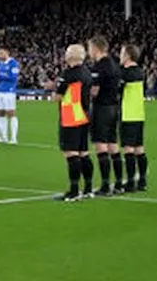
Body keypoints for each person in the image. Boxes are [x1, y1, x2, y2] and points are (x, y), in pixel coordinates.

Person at [49, 44, 93, 202]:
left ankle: (74, 191)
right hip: (84, 114)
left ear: (70, 56)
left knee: (71, 153)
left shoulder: (68, 74)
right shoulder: (87, 72)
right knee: (84, 153)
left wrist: (53, 89)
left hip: (70, 115)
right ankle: (88, 188)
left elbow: (58, 97)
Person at [86, 37, 123, 196]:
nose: (89, 52)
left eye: (89, 48)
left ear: (96, 48)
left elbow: (94, 90)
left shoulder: (99, 66)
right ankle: (119, 184)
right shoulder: (114, 63)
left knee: (100, 144)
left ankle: (105, 186)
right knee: (113, 144)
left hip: (102, 108)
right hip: (114, 107)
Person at [119, 44, 148, 192]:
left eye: (122, 53)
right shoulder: (141, 72)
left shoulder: (124, 73)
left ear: (128, 55)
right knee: (139, 148)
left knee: (128, 149)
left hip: (127, 113)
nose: (120, 55)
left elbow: (118, 92)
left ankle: (130, 182)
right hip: (139, 113)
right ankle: (142, 181)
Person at [0, 47, 21, 144]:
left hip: (9, 91)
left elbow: (13, 77)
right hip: (0, 91)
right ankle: (4, 137)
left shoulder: (13, 63)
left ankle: (13, 138)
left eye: (1, 53)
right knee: (0, 113)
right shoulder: (0, 64)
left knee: (11, 113)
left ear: (7, 53)